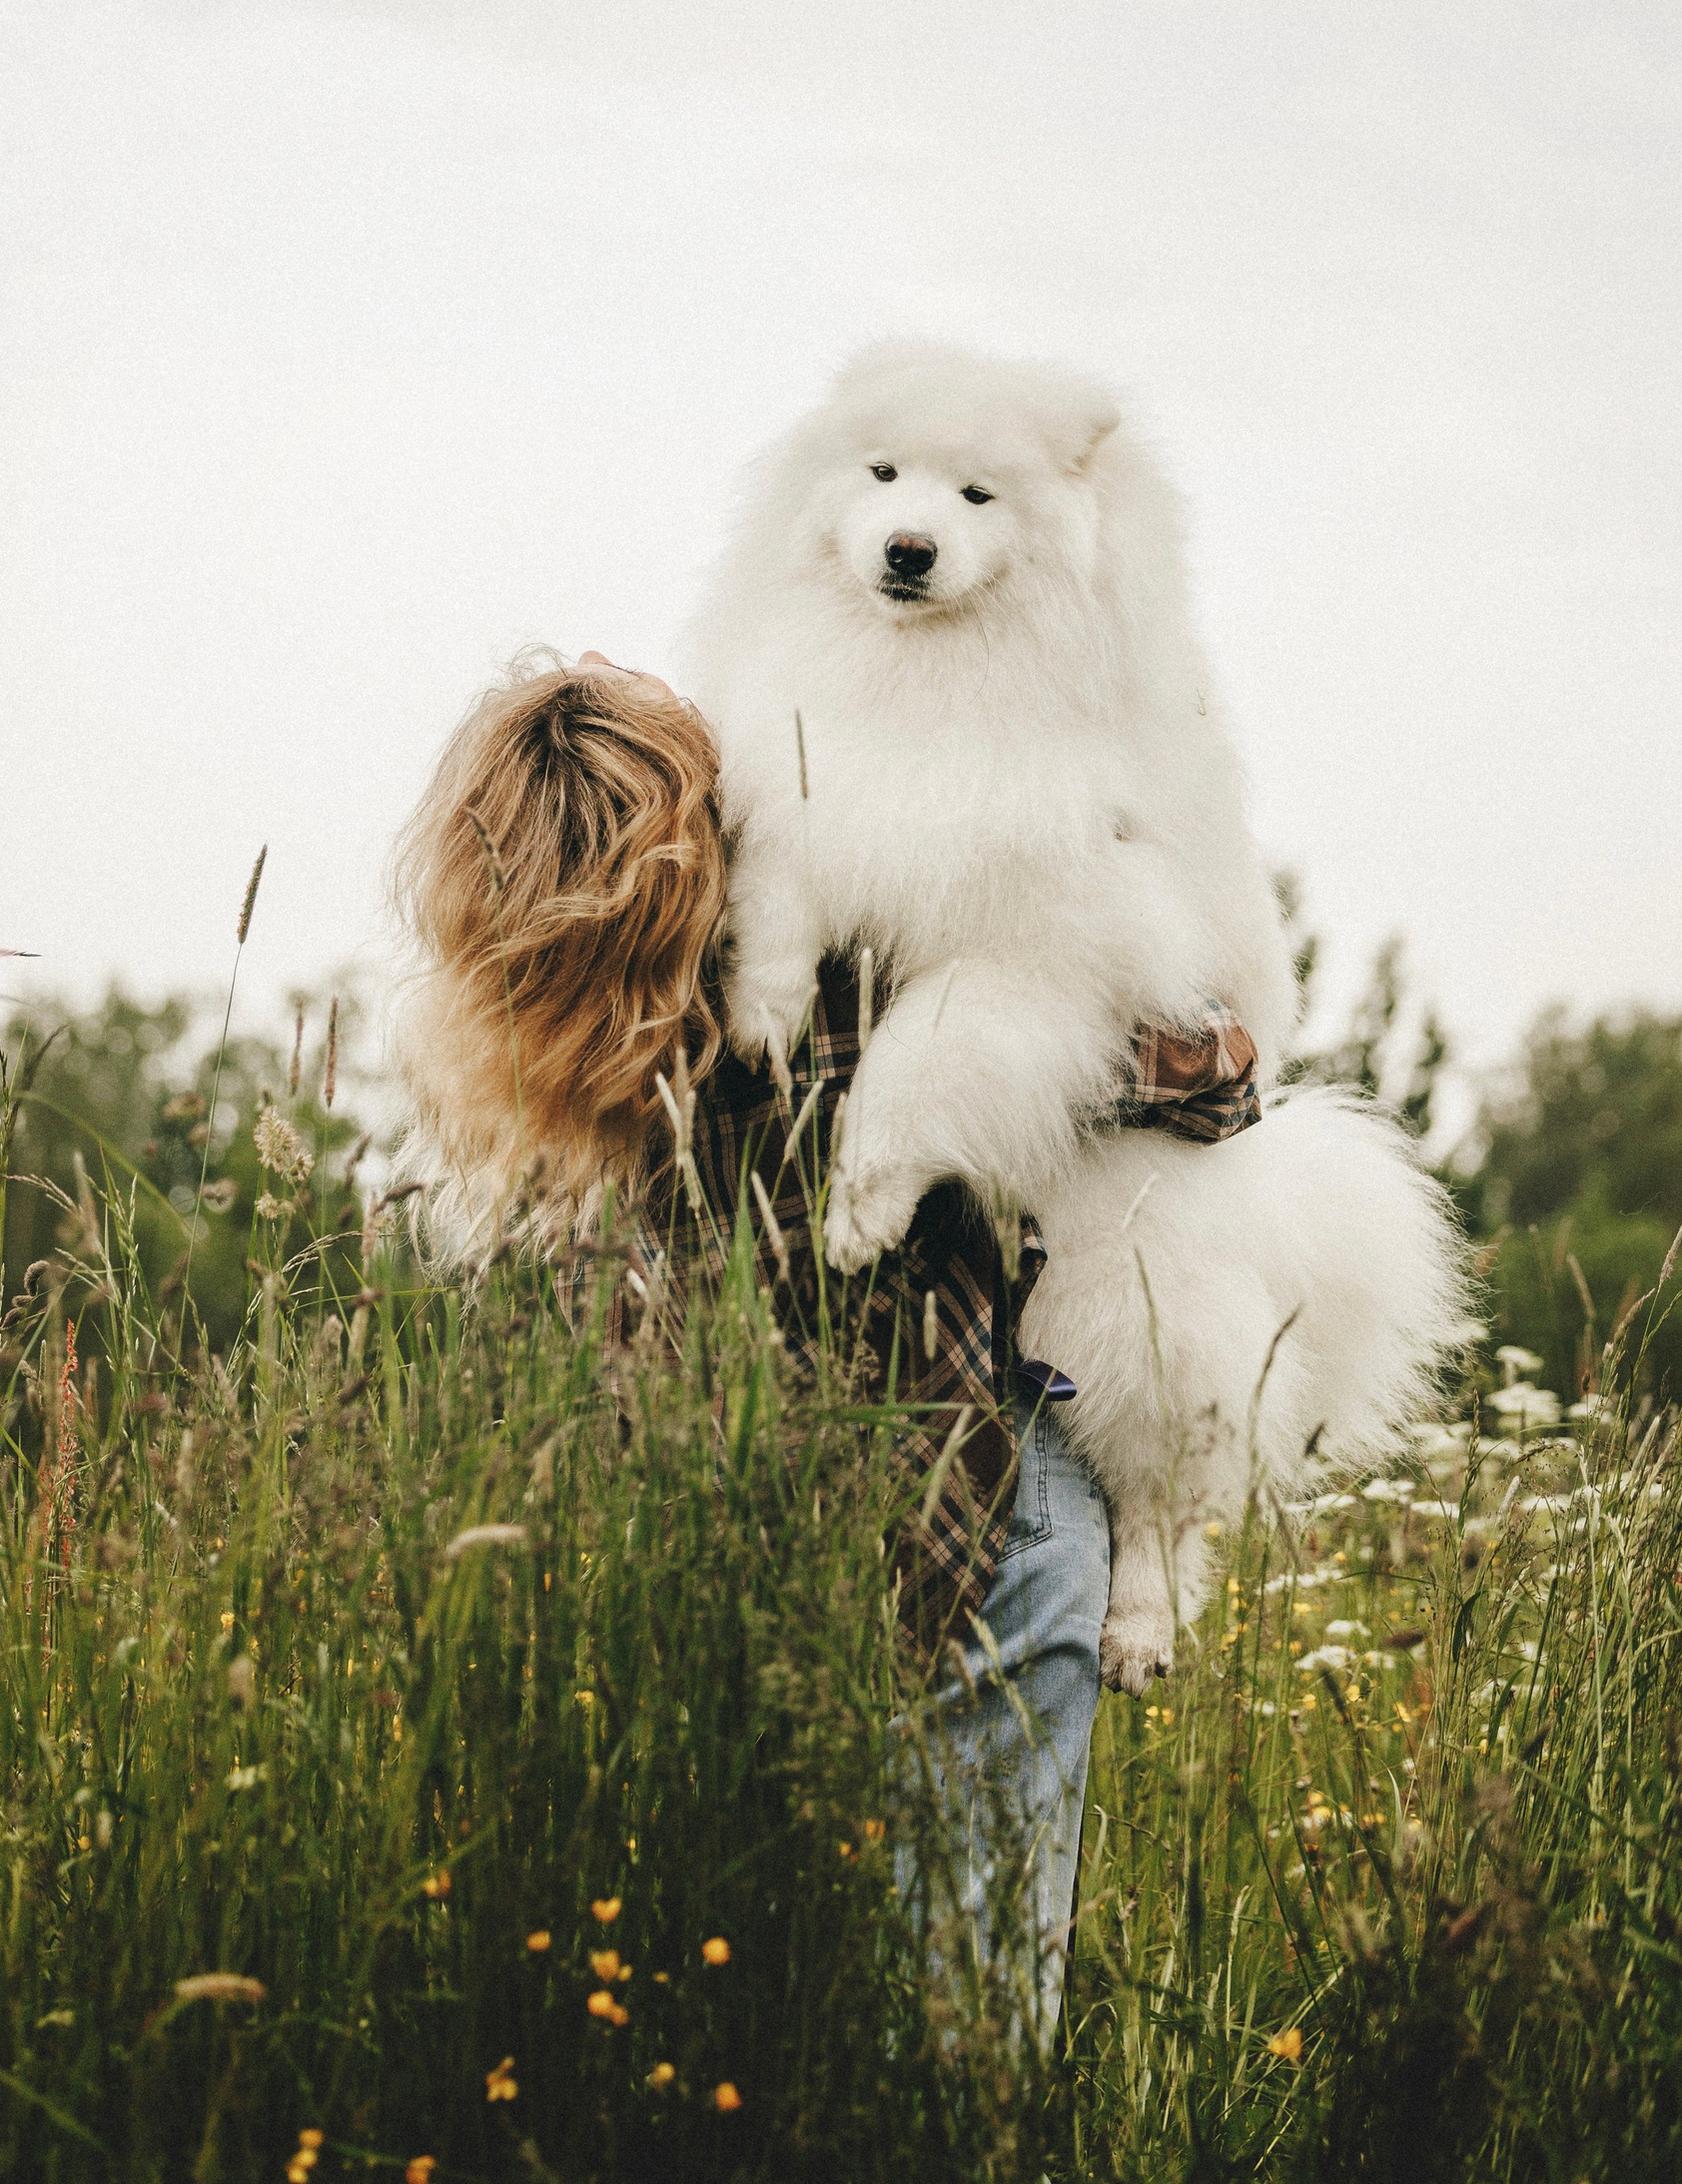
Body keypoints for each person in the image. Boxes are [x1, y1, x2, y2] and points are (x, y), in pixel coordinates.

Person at [385, 651, 1260, 2031]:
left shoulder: (543, 1076)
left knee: (812, 2056)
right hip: (974, 1530)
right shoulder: (850, 964)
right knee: (954, 2048)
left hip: (874, 1556)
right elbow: (1218, 1078)